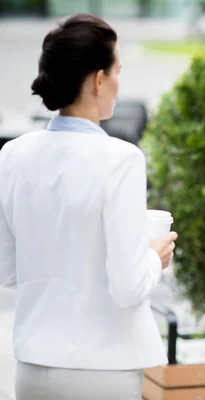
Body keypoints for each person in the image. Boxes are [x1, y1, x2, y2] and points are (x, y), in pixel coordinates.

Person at [0, 13, 177, 400]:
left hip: (31, 368)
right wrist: (152, 258)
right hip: (102, 372)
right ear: (98, 79)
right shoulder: (121, 159)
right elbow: (129, 288)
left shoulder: (12, 154)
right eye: (116, 71)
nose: (118, 82)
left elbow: (8, 271)